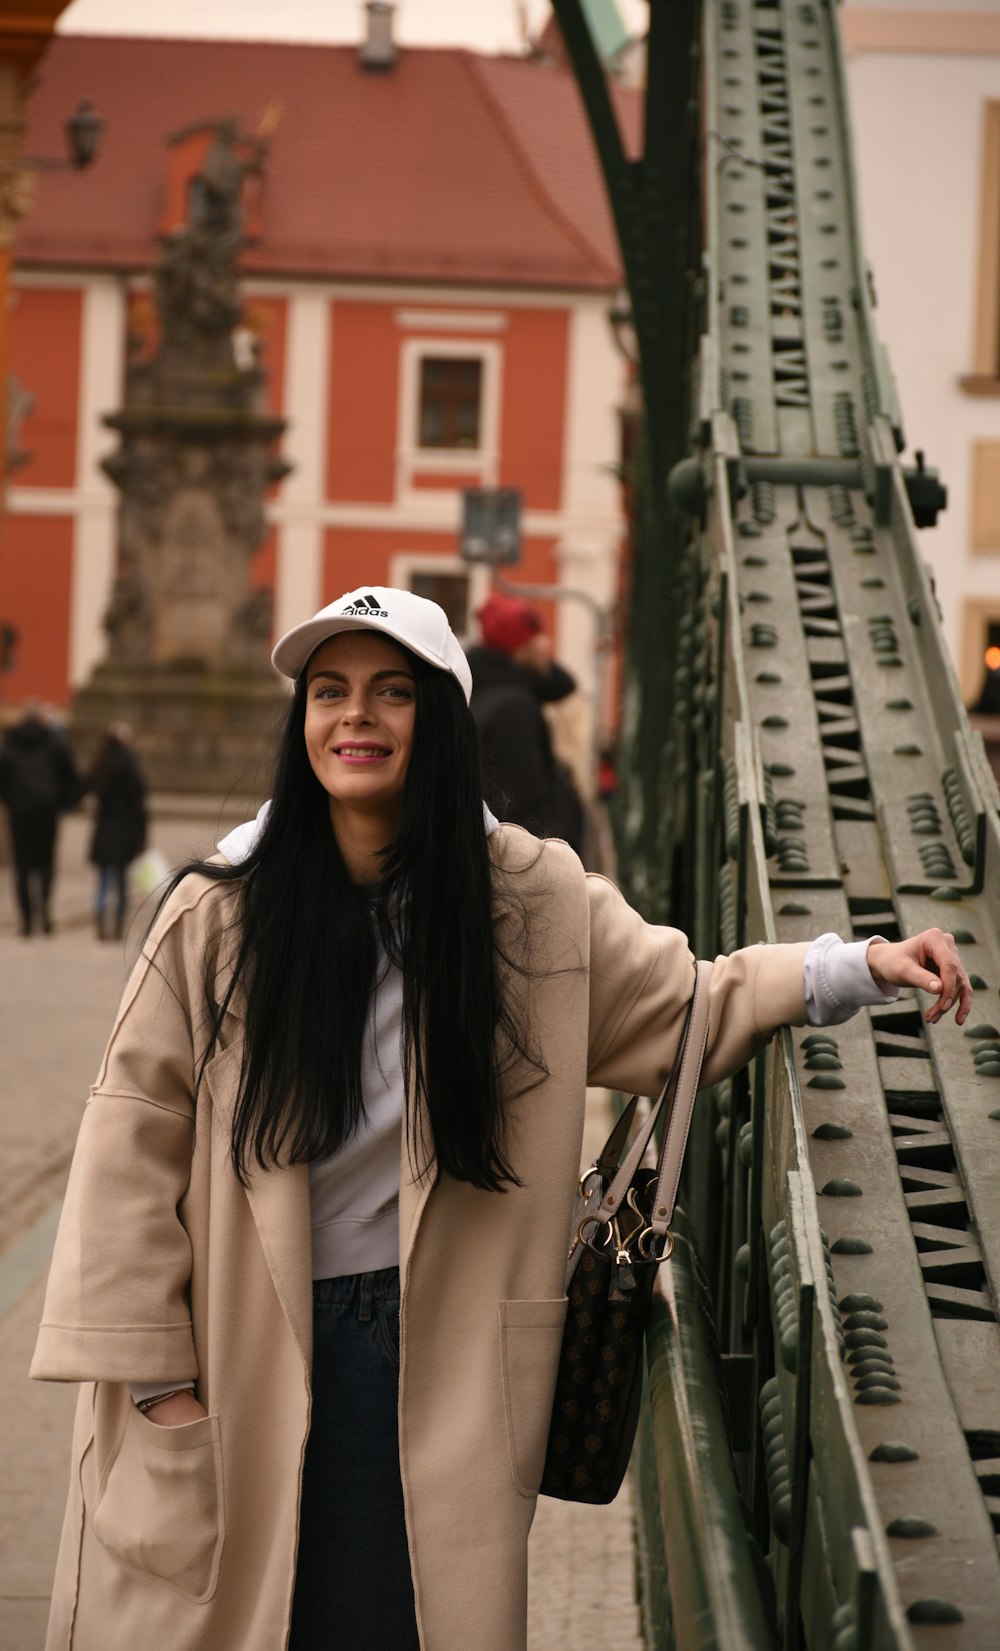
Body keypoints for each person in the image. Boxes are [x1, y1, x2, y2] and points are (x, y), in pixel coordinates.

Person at [31, 585, 970, 1651]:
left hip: (436, 1358)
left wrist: (858, 967)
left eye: (391, 693)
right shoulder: (221, 910)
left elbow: (691, 995)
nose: (355, 718)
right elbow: (129, 1137)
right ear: (299, 728)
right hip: (238, 1344)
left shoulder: (529, 902)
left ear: (440, 720)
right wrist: (159, 1385)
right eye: (328, 692)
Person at [468, 591, 585, 853]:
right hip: (531, 865)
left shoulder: (490, 691)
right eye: (537, 637)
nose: (547, 644)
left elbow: (560, 684)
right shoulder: (514, 709)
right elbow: (525, 806)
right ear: (519, 649)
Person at [0, 699, 80, 936]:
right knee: (46, 864)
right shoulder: (54, 743)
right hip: (47, 811)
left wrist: (11, 801)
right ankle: (44, 912)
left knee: (23, 866)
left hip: (20, 812)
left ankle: (26, 920)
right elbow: (70, 777)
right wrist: (64, 803)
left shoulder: (11, 744)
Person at [84, 722, 148, 941]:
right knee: (121, 882)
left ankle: (101, 917)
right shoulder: (130, 766)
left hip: (104, 830)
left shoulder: (100, 764)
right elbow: (139, 802)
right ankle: (119, 924)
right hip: (124, 831)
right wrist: (142, 837)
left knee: (103, 879)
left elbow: (85, 786)